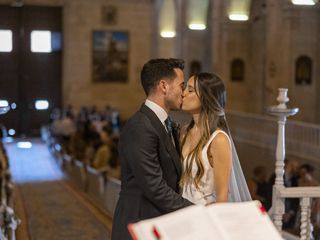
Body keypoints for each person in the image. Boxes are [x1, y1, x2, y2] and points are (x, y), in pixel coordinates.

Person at [111, 58, 192, 240]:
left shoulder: (165, 122)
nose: (184, 93)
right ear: (164, 86)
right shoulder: (141, 126)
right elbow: (154, 186)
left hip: (157, 221)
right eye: (181, 85)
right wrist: (195, 209)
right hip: (139, 222)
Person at [180, 72, 251, 205]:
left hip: (204, 214)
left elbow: (222, 194)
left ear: (206, 97)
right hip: (181, 211)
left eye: (190, 90)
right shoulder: (184, 132)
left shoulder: (218, 140)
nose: (183, 93)